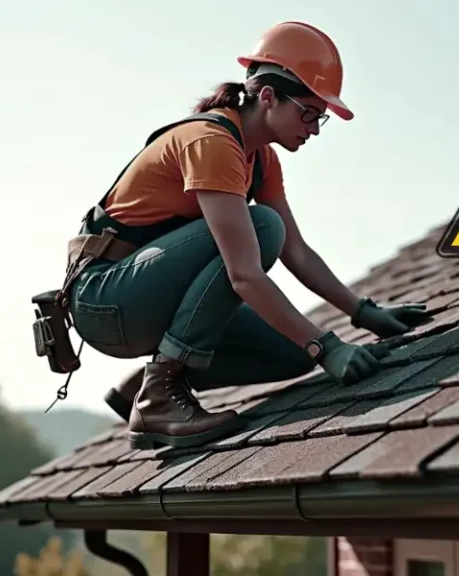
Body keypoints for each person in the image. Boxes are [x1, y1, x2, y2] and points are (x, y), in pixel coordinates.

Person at [58, 21, 431, 451]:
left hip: (147, 300)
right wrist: (328, 347)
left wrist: (362, 311)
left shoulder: (262, 161)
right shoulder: (211, 143)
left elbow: (296, 250)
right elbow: (244, 275)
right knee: (262, 228)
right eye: (308, 113)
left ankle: (147, 382)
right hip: (105, 299)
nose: (313, 128)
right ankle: (161, 392)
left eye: (320, 118)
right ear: (268, 96)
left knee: (292, 352)